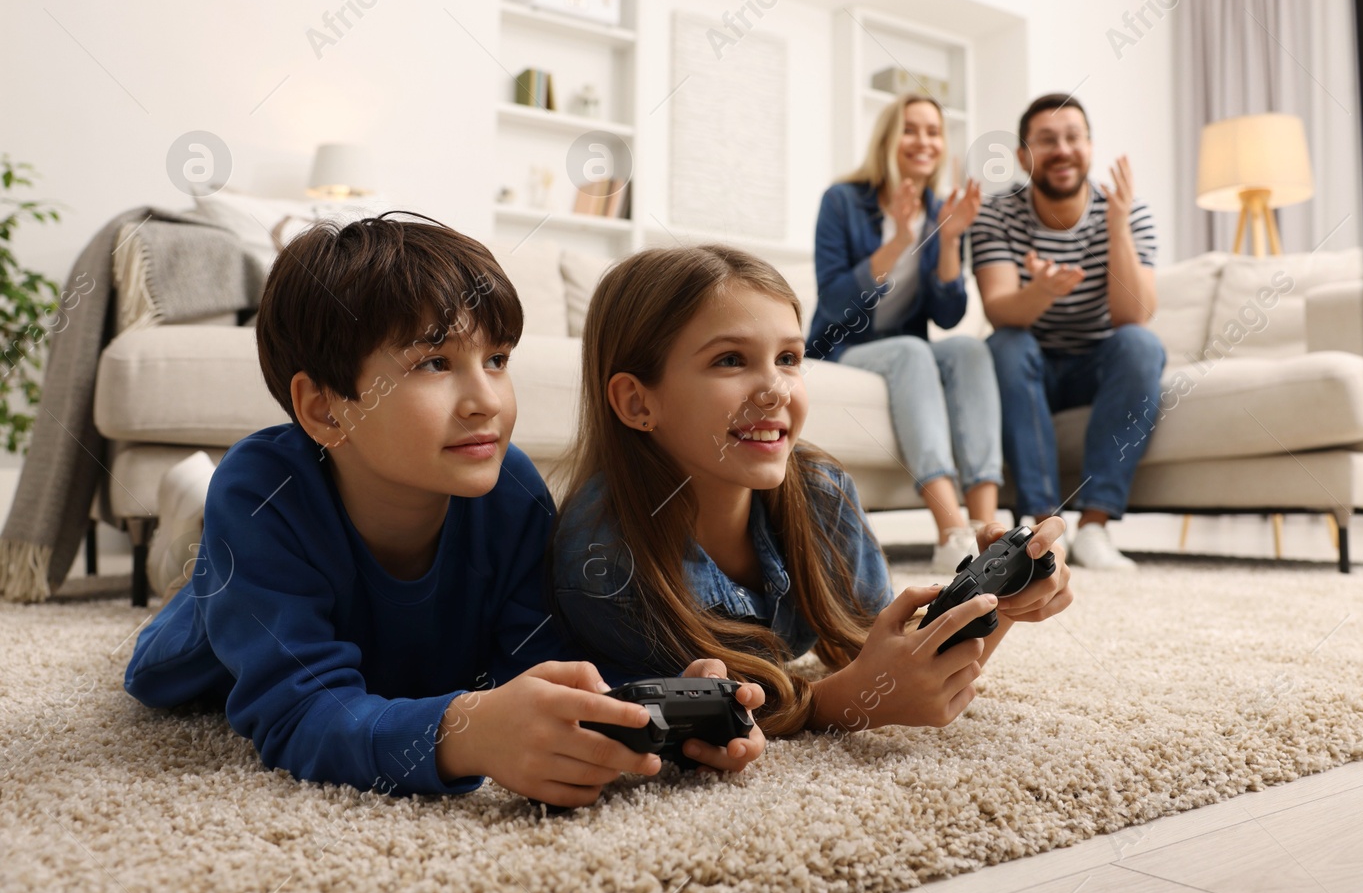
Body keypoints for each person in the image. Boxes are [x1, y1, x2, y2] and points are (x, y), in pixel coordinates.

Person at [122, 213, 764, 804]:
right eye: (435, 362)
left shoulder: (509, 490)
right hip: (214, 615)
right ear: (323, 409)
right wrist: (461, 732)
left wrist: (643, 703)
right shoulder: (263, 495)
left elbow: (537, 661)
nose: (486, 399)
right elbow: (297, 714)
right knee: (195, 582)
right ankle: (195, 522)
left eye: (497, 360)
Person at [550, 244, 1073, 737]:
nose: (775, 388)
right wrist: (835, 705)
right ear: (638, 403)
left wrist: (994, 605)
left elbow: (883, 656)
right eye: (730, 359)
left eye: (788, 358)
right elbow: (699, 713)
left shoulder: (822, 491)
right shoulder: (605, 561)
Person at [807, 93, 1001, 575]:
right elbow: (833, 302)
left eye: (933, 131)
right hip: (843, 347)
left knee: (970, 349)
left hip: (907, 345)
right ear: (889, 138)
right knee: (913, 351)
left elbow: (950, 314)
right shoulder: (843, 201)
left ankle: (990, 530)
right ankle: (950, 531)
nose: (924, 141)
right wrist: (897, 240)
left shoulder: (942, 208)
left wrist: (951, 238)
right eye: (911, 129)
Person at [971, 93, 1165, 570]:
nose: (1062, 150)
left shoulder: (1129, 211)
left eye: (1073, 137)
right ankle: (1042, 528)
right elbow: (1000, 311)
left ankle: (1094, 528)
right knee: (1006, 345)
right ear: (1022, 156)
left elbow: (1133, 315)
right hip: (1028, 364)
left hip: (1097, 366)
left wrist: (1117, 228)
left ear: (1090, 147)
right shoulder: (996, 214)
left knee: (1141, 345)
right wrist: (1041, 291)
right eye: (1046, 140)